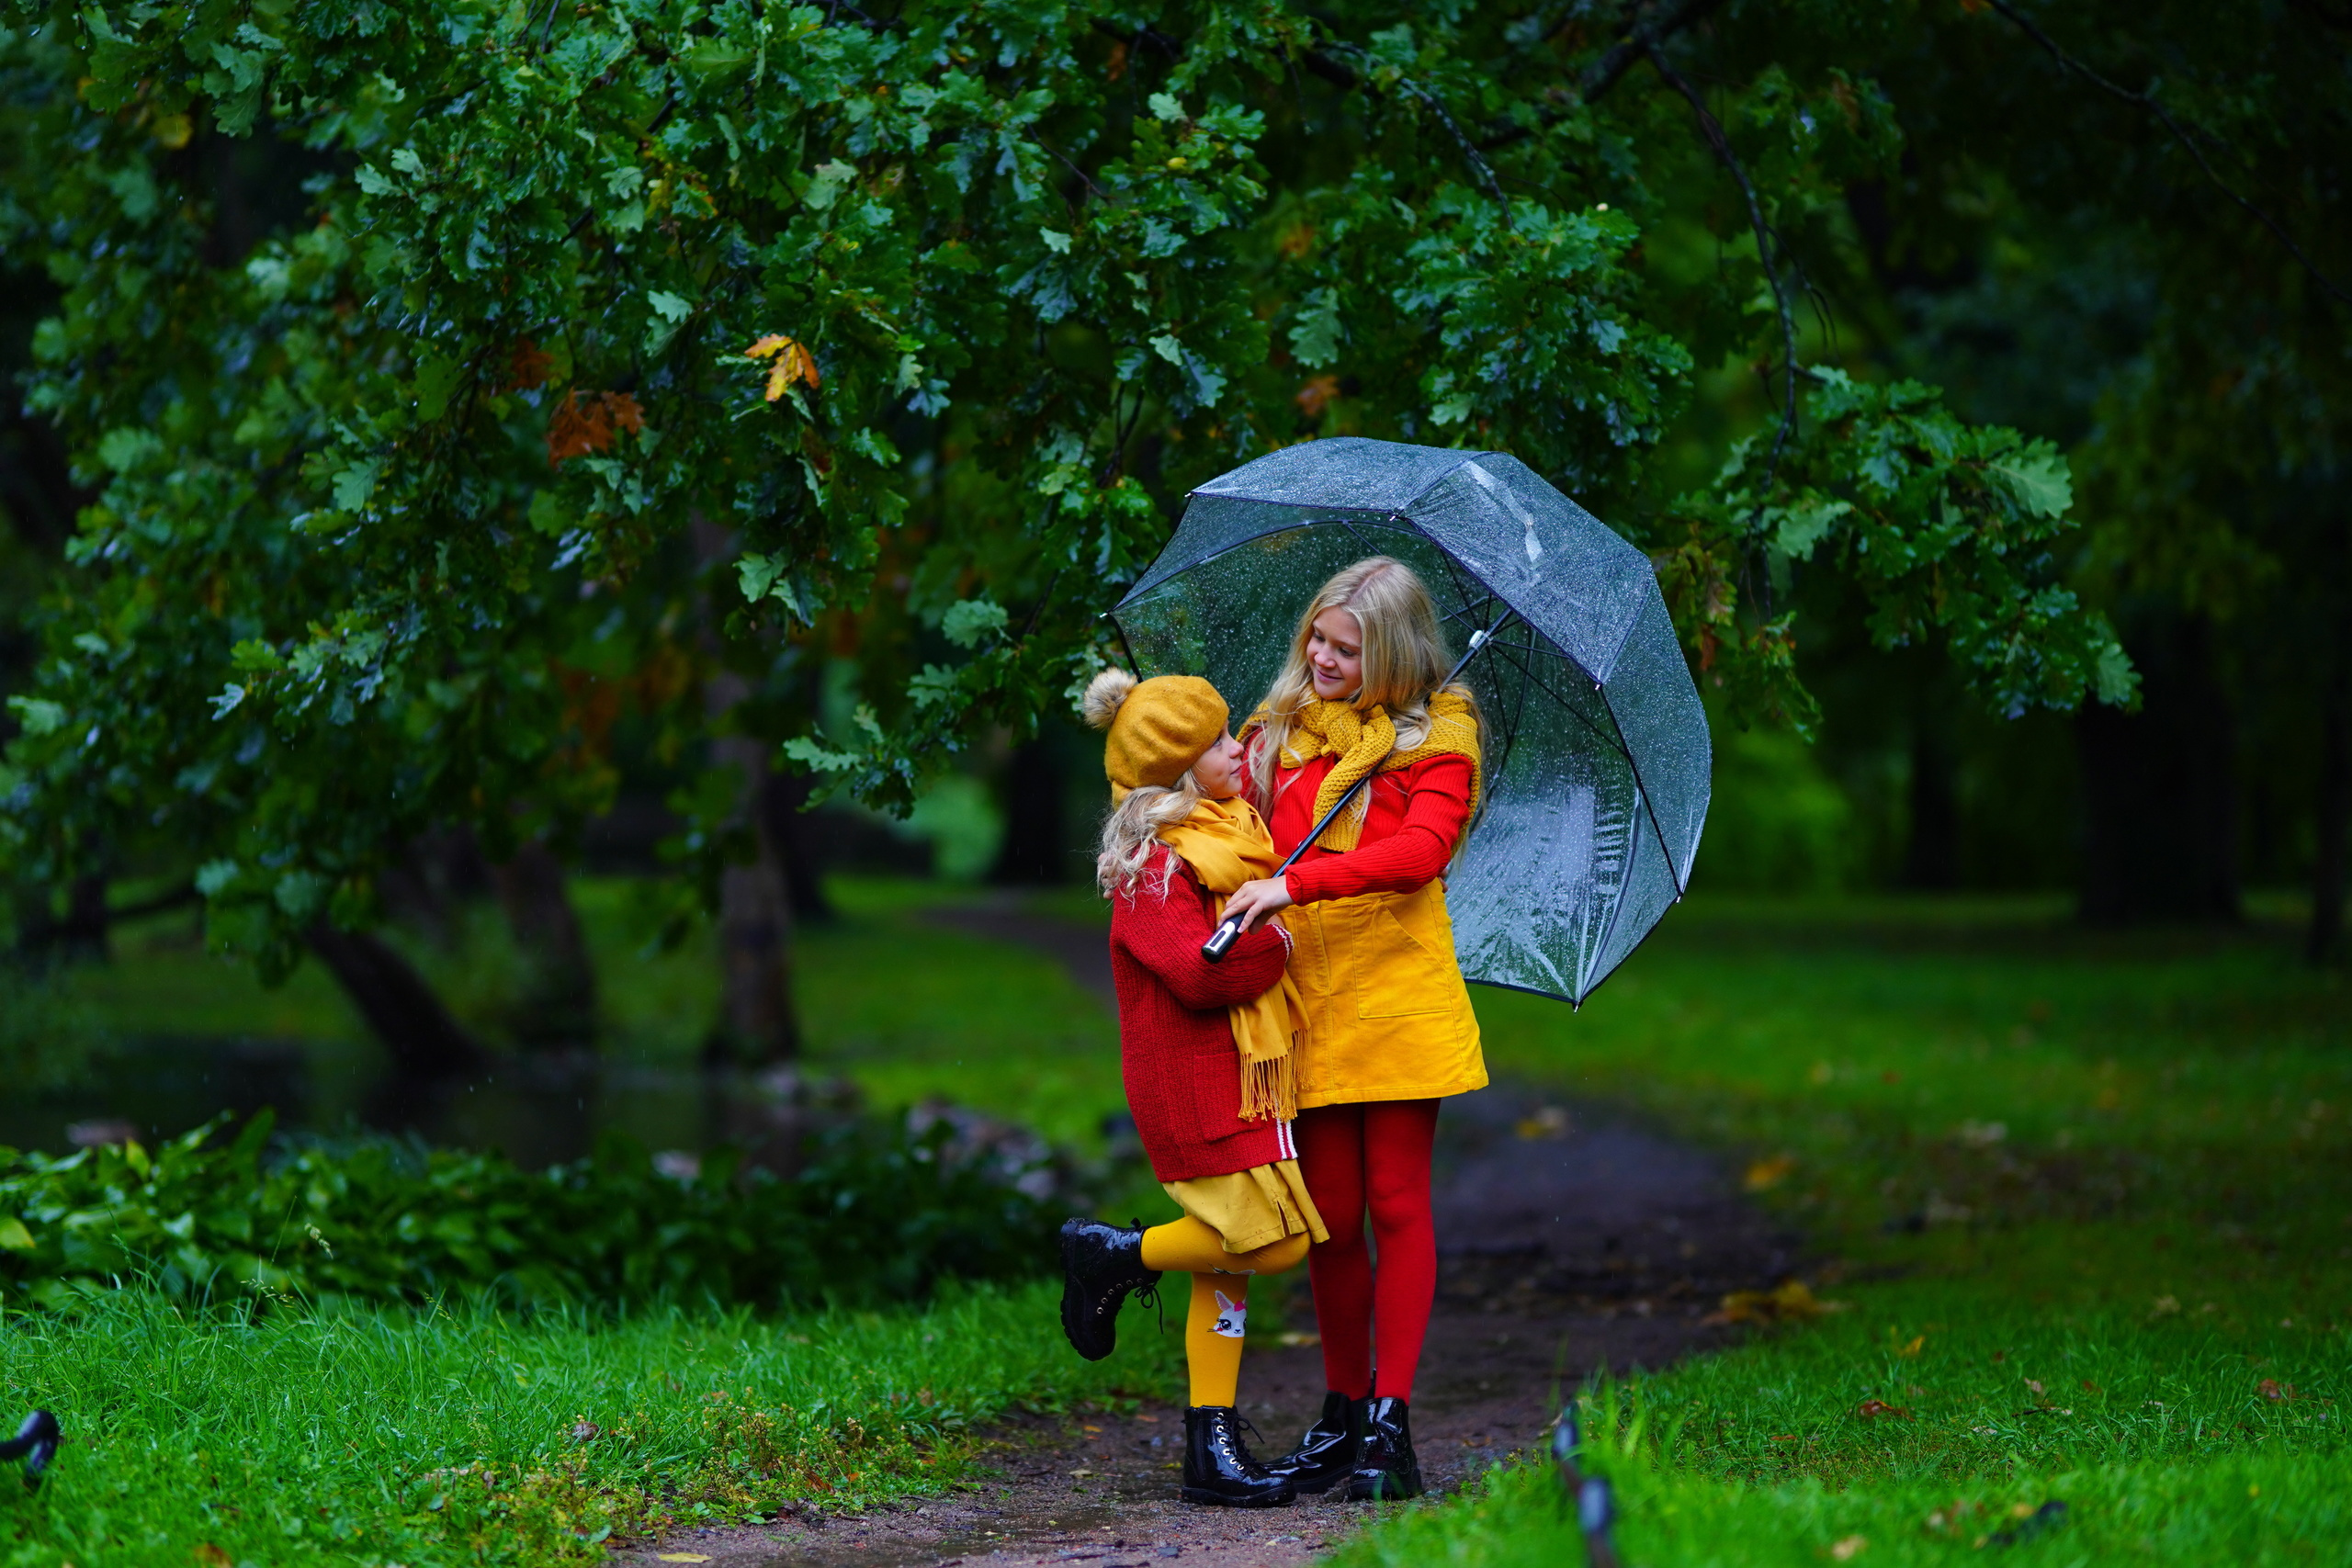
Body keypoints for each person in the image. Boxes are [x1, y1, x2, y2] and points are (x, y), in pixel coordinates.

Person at [1216, 556, 1486, 1502]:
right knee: (1329, 1216)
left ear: (1394, 652)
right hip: (1306, 999)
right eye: (1318, 640)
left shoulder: (1438, 730)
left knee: (1395, 1201)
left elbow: (1419, 854)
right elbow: (1237, 837)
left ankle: (1389, 1425)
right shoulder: (1276, 730)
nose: (1324, 659)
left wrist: (1296, 881)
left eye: (1348, 648)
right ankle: (1339, 1412)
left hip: (1399, 994)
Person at [1056, 667, 1329, 1509]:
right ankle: (1114, 1253)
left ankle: (1211, 1445)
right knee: (1270, 1242)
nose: (1236, 746)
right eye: (1214, 742)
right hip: (1192, 1083)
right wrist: (1278, 943)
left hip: (1242, 1077)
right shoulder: (1151, 863)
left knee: (1232, 1265)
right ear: (1175, 772)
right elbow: (1199, 976)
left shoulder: (1235, 831)